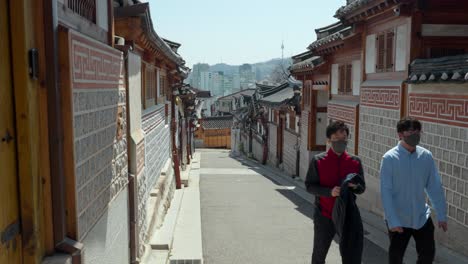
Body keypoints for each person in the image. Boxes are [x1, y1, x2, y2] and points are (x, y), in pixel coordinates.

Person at [380, 117, 448, 264]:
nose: (414, 134)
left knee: (427, 255)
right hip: (399, 219)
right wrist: (392, 220)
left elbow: (434, 186)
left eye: (417, 131)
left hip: (421, 217)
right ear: (400, 134)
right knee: (396, 257)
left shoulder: (425, 156)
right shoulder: (389, 158)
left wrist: (442, 214)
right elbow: (386, 192)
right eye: (410, 131)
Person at [305, 121, 366, 264]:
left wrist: (354, 186)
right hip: (324, 214)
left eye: (344, 138)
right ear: (329, 140)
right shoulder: (318, 160)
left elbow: (362, 188)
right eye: (337, 139)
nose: (341, 142)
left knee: (351, 255)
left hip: (348, 215)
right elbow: (309, 186)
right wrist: (329, 192)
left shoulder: (355, 161)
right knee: (319, 255)